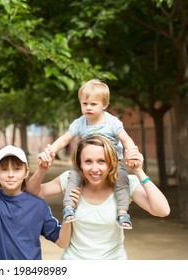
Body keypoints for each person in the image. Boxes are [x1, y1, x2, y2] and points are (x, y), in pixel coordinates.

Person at [27, 135, 170, 260]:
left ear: (111, 162)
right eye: (88, 161)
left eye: (101, 161)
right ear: (79, 163)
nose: (94, 168)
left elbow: (162, 210)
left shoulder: (125, 185)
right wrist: (42, 169)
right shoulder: (69, 181)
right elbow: (31, 192)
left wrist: (139, 172)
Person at [38, 79, 138, 229]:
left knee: (122, 181)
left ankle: (123, 212)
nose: (88, 108)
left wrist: (131, 151)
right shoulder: (80, 123)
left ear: (104, 105)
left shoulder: (112, 122)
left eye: (93, 104)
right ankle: (69, 209)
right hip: (86, 160)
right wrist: (51, 150)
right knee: (73, 178)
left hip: (114, 161)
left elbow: (126, 139)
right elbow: (65, 139)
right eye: (84, 104)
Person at [0, 145, 71, 260]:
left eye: (17, 169)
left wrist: (69, 212)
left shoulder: (38, 205)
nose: (11, 174)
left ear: (26, 172)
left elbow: (62, 241)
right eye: (4, 169)